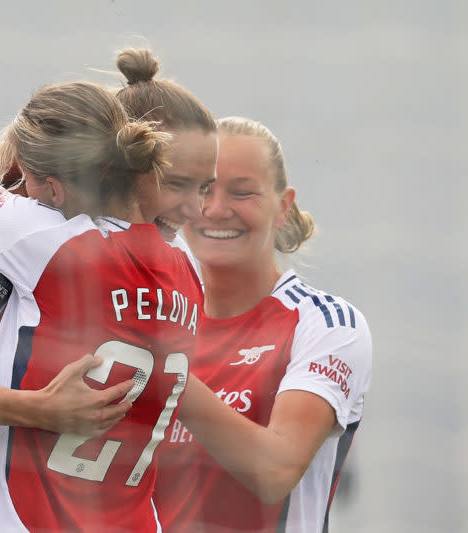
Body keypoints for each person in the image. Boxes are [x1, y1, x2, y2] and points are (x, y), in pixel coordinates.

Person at [0, 78, 218, 532]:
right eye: (179, 182)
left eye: (204, 187)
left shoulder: (27, 246)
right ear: (134, 164)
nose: (195, 210)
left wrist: (15, 179)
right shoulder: (188, 271)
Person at [152, 116, 372, 532]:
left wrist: (161, 370)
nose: (215, 210)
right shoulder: (156, 317)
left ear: (283, 206)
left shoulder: (326, 325)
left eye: (242, 192)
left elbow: (275, 471)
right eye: (202, 190)